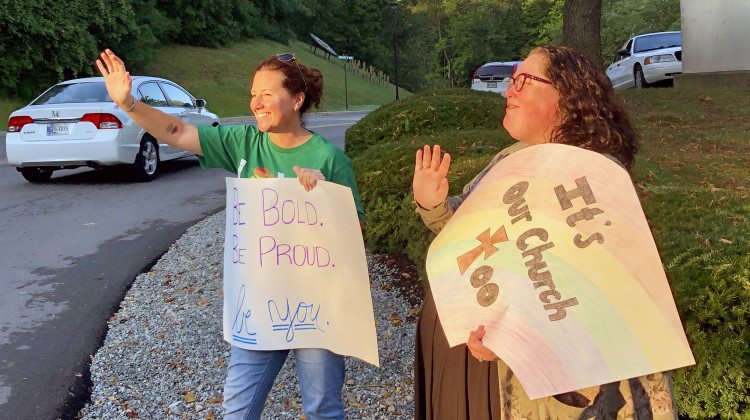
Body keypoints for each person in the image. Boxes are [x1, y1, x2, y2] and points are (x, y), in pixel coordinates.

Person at [412, 45, 677, 420]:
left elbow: (583, 298)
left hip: (536, 386)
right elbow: (472, 239)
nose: (508, 90)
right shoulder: (511, 160)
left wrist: (510, 340)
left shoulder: (590, 178)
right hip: (470, 359)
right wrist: (434, 203)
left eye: (522, 80)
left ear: (566, 94)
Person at [96, 49, 364, 420]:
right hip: (257, 303)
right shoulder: (242, 142)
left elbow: (357, 235)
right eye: (253, 93)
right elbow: (176, 131)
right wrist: (128, 103)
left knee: (322, 407)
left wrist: (325, 197)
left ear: (297, 99)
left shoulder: (330, 160)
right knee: (237, 409)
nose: (256, 102)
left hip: (316, 306)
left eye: (267, 94)